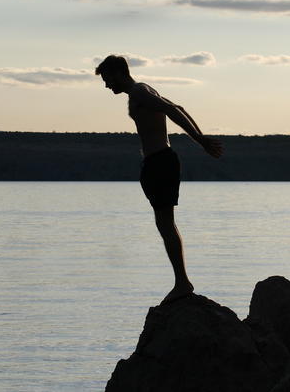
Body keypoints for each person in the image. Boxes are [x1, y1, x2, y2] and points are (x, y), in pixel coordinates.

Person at [95, 54, 223, 305]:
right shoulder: (143, 90)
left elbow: (173, 110)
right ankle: (181, 282)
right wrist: (201, 138)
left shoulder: (140, 92)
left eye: (107, 79)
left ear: (119, 73)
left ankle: (182, 283)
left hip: (161, 162)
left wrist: (201, 140)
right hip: (157, 162)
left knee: (165, 225)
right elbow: (180, 107)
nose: (107, 85)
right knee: (165, 224)